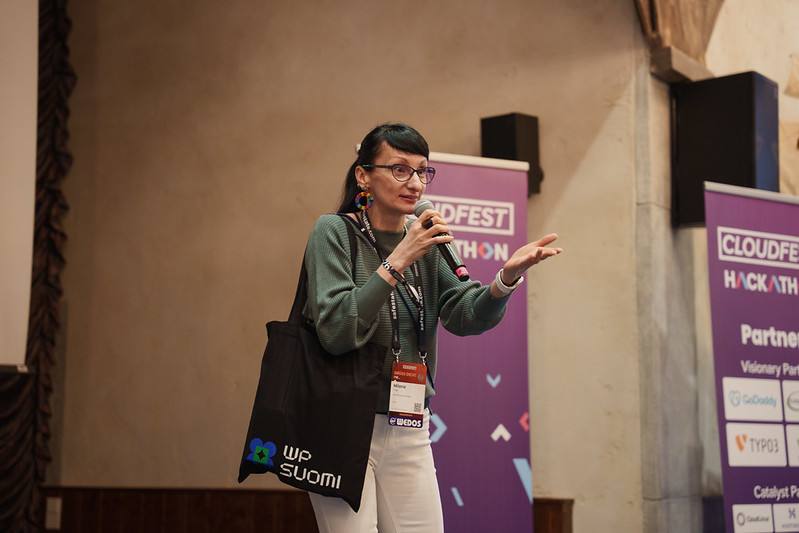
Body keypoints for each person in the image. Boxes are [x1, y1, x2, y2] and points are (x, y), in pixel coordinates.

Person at [302, 123, 561, 533]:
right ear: (364, 175)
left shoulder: (427, 239)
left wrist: (504, 280)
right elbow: (337, 330)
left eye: (423, 171)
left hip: (408, 421)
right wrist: (397, 261)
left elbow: (464, 314)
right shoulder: (334, 231)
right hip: (342, 420)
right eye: (400, 169)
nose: (415, 183)